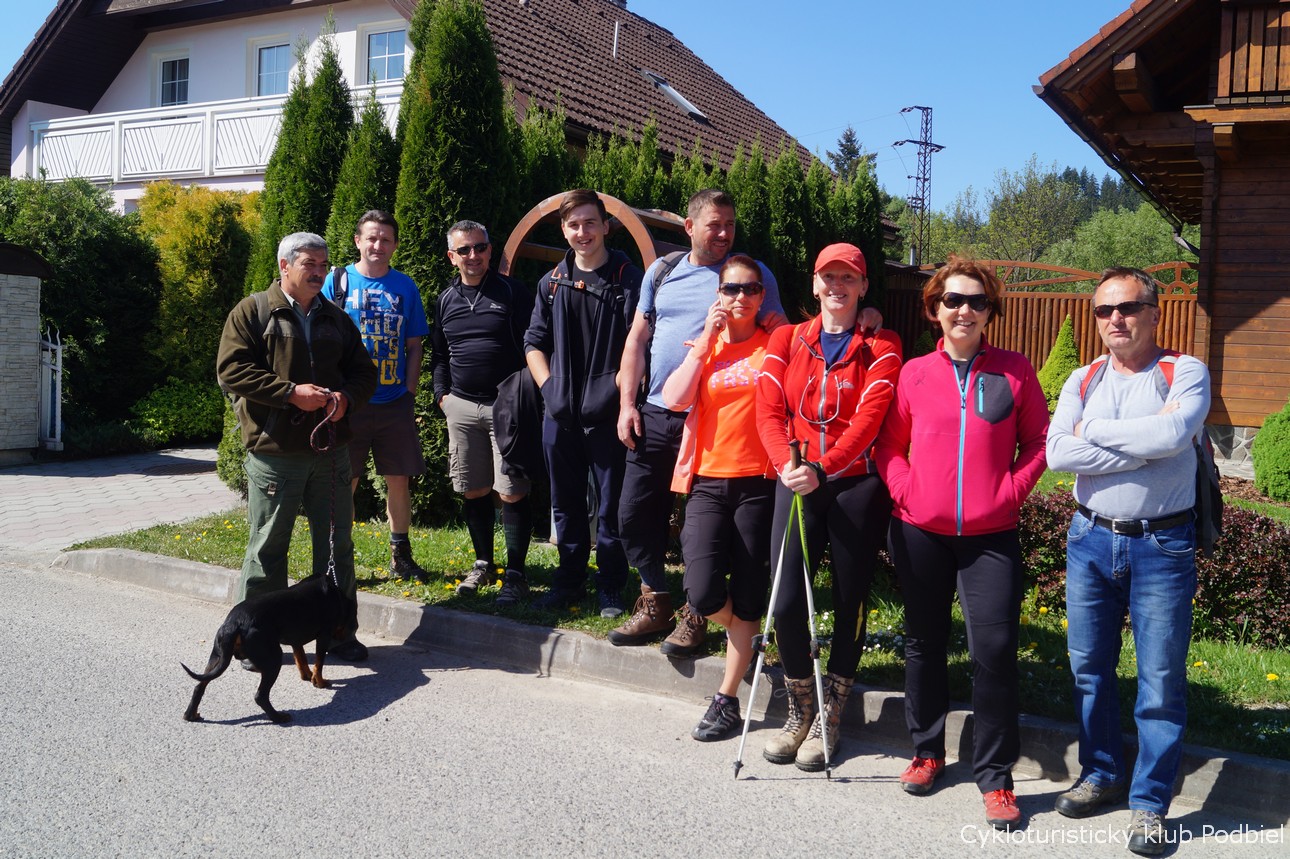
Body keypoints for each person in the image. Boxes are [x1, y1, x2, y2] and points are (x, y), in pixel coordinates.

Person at [874, 255, 1048, 830]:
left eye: (976, 301)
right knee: (923, 643)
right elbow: (889, 447)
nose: (964, 310)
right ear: (935, 309)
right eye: (953, 300)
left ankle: (995, 776)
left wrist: (1009, 493)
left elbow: (1039, 443)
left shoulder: (1015, 371)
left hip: (990, 537)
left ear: (990, 311)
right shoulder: (915, 373)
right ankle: (927, 752)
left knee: (993, 652)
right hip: (920, 530)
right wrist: (907, 492)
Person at [1045, 267, 1211, 856]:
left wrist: (1095, 431)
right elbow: (1058, 451)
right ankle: (1103, 772)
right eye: (1104, 310)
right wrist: (1139, 452)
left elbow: (1173, 435)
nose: (1115, 318)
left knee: (1160, 680)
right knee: (1088, 668)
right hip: (1090, 539)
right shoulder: (1083, 376)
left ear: (1154, 313)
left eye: (1129, 307)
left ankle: (1149, 804)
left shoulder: (1183, 371)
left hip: (1162, 545)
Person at [612, 188, 794, 653]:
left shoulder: (750, 276)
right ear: (690, 227)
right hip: (658, 411)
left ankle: (698, 613)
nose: (724, 233)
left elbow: (784, 337)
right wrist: (628, 404)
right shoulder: (663, 271)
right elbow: (637, 340)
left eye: (730, 225)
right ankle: (656, 599)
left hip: (714, 420)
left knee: (708, 527)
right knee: (634, 513)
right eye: (715, 225)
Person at [755, 243, 902, 771]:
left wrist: (826, 466)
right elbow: (768, 410)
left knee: (848, 598)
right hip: (796, 479)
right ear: (814, 284)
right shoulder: (786, 338)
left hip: (854, 485)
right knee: (786, 599)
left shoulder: (882, 344)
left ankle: (830, 713)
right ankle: (799, 707)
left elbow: (869, 419)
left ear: (863, 287)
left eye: (848, 278)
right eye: (828, 276)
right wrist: (787, 465)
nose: (837, 286)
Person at [216, 232, 378, 662]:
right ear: (284, 265)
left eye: (324, 265)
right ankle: (255, 641)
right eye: (310, 264)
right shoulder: (252, 311)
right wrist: (290, 393)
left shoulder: (336, 318)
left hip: (330, 452)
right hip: (275, 453)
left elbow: (364, 373)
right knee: (268, 548)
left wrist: (346, 400)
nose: (319, 273)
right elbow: (231, 370)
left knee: (337, 546)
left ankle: (340, 633)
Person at [660, 254, 776, 740]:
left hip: (760, 484)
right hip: (708, 480)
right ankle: (745, 636)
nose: (740, 297)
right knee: (702, 590)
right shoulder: (705, 346)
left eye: (750, 289)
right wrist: (704, 343)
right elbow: (674, 399)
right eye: (731, 289)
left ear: (762, 296)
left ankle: (727, 699)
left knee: (748, 595)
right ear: (718, 294)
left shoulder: (776, 345)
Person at [525, 189, 642, 614]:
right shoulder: (552, 282)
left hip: (609, 415)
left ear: (605, 226)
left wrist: (620, 393)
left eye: (590, 222)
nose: (582, 232)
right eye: (573, 225)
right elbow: (533, 343)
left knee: (611, 507)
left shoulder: (627, 280)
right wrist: (549, 389)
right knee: (566, 503)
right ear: (563, 230)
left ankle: (610, 584)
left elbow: (639, 344)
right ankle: (569, 581)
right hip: (560, 416)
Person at [429, 220, 536, 605]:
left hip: (506, 408)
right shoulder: (445, 299)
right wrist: (442, 397)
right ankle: (483, 564)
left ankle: (516, 574)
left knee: (511, 491)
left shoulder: (512, 292)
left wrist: (526, 394)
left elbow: (535, 345)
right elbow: (439, 354)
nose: (473, 255)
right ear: (451, 256)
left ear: (490, 250)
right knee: (472, 488)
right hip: (460, 406)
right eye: (464, 250)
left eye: (480, 247)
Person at [323, 210, 430, 583]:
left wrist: (409, 392)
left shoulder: (405, 287)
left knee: (398, 480)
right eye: (371, 237)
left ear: (395, 245)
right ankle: (337, 560)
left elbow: (414, 345)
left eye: (385, 239)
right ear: (358, 241)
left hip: (393, 402)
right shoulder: (336, 283)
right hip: (348, 403)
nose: (378, 245)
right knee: (344, 482)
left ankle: (401, 556)